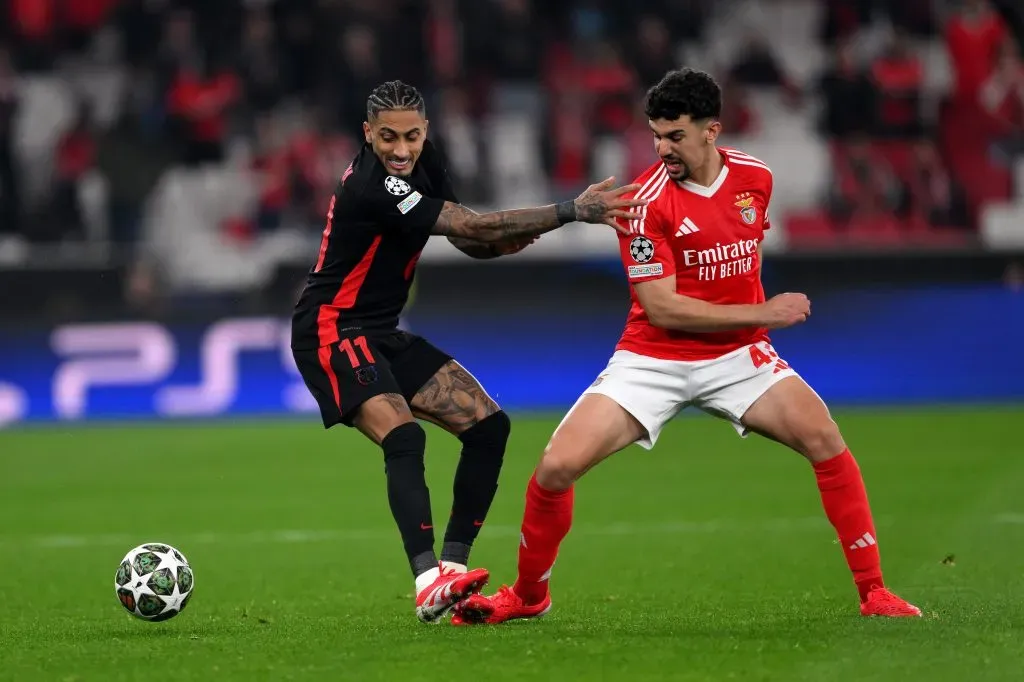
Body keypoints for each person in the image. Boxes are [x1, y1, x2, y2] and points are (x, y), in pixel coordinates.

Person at [453, 68, 921, 626]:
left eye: (674, 135)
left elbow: (747, 249)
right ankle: (529, 596)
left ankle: (874, 592)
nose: (661, 148)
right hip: (653, 359)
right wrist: (764, 311)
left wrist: (753, 325)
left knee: (824, 437)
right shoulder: (642, 203)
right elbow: (663, 308)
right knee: (556, 467)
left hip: (737, 355)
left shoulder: (756, 178)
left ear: (711, 131)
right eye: (656, 135)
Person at [289, 80, 645, 623]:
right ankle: (428, 579)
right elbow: (475, 226)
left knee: (488, 427)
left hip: (379, 329)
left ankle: (452, 572)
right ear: (367, 134)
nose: (401, 150)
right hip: (331, 329)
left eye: (411, 136)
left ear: (425, 130)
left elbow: (468, 241)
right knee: (404, 437)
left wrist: (510, 237)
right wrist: (570, 210)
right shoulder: (370, 185)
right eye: (388, 138)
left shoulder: (424, 162)